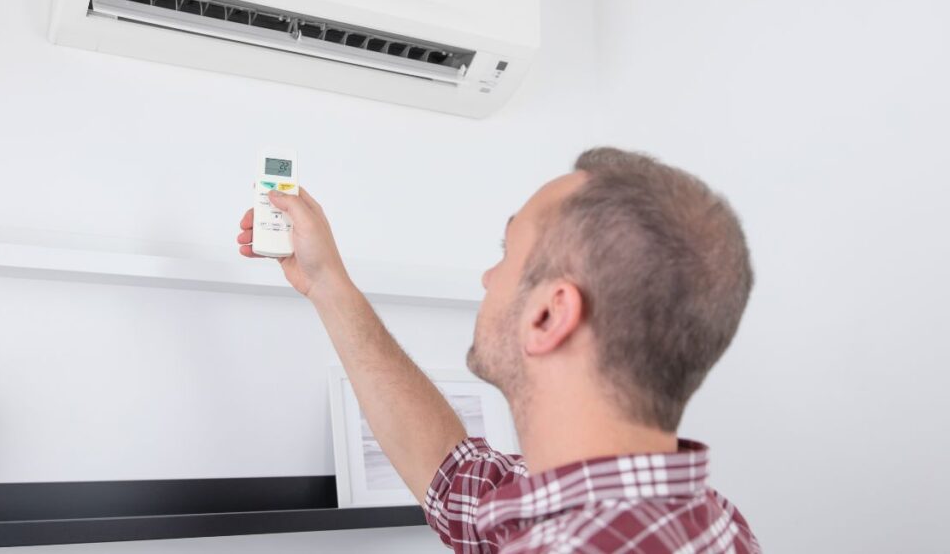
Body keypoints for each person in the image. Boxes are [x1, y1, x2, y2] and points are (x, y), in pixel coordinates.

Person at [237, 147, 761, 553]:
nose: (488, 277)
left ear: (549, 315)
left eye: (507, 251)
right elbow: (451, 477)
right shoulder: (716, 523)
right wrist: (328, 283)